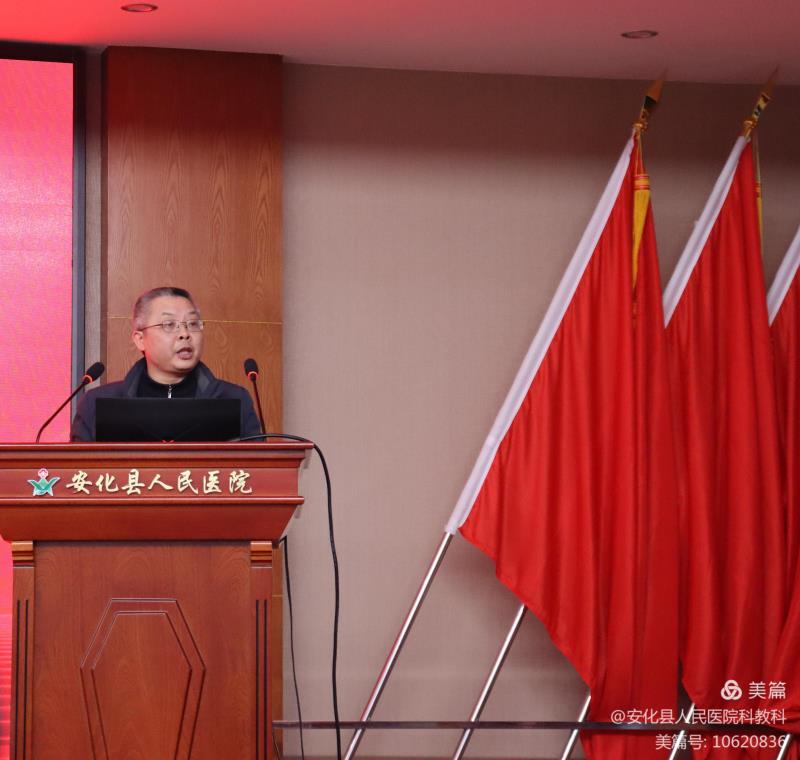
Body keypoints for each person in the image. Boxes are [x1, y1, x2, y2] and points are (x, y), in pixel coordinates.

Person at [71, 286, 262, 442]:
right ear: (140, 339)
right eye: (169, 325)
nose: (185, 334)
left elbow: (258, 470)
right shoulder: (96, 403)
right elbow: (77, 472)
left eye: (192, 324)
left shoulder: (234, 399)